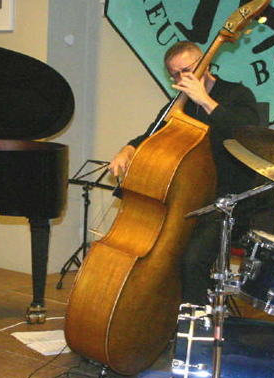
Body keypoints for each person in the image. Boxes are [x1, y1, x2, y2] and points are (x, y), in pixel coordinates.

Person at [107, 40, 262, 306]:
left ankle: (194, 322)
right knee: (158, 253)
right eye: (175, 75)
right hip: (186, 200)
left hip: (227, 200)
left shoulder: (237, 94)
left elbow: (247, 137)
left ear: (206, 63)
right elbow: (151, 136)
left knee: (192, 260)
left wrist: (206, 101)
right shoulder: (178, 106)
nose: (182, 79)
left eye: (187, 70)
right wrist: (127, 150)